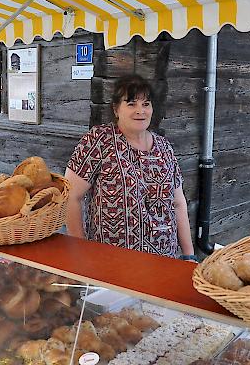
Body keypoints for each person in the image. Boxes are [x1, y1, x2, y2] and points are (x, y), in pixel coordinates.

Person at [66, 74, 196, 261]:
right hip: (111, 263)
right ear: (116, 109)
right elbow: (71, 196)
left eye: (146, 104)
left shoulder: (164, 147)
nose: (140, 111)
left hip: (164, 262)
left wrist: (189, 255)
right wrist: (80, 252)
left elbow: (178, 204)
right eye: (131, 104)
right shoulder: (99, 141)